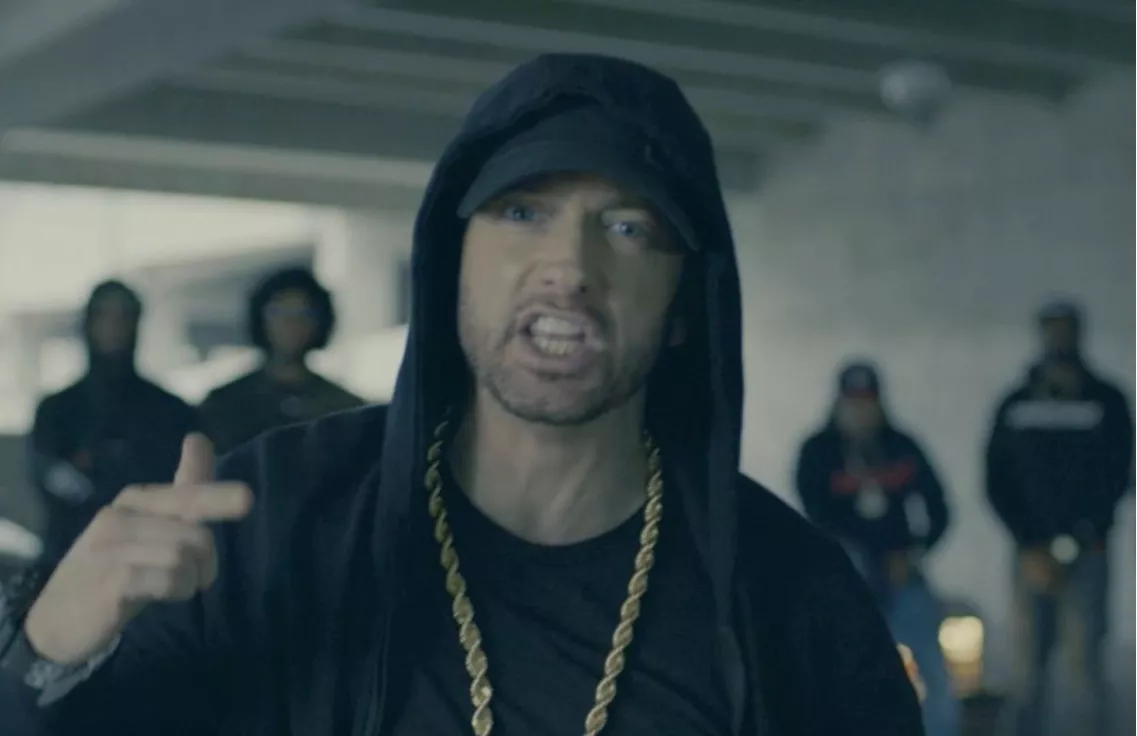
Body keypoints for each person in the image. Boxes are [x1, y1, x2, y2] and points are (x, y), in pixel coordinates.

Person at [0, 54, 924, 735]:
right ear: (451, 264)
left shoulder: (787, 596)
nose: (568, 266)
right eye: (522, 212)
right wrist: (42, 655)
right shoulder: (275, 523)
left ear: (684, 304)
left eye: (628, 228)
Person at [985, 300, 1133, 736]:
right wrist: (1030, 543)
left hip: (1089, 550)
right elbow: (997, 480)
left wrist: (1081, 535)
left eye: (1066, 330)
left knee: (1086, 666)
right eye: (1053, 330)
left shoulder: (1108, 401)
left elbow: (1119, 474)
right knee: (1027, 667)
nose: (1060, 340)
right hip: (1031, 556)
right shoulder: (1015, 403)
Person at [795, 361, 958, 736]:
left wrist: (914, 553)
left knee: (932, 669)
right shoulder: (818, 451)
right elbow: (813, 515)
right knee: (838, 672)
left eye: (867, 402)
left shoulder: (902, 447)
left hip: (901, 575)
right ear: (838, 403)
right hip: (847, 583)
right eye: (853, 402)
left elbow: (939, 509)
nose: (861, 411)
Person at [24, 280, 198, 566]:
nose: (114, 327)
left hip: (152, 556)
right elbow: (55, 480)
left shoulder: (172, 411)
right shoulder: (56, 411)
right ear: (88, 323)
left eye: (123, 316)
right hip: (70, 560)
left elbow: (179, 484)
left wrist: (98, 468)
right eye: (105, 315)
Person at [198, 267, 365, 456]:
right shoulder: (223, 404)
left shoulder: (343, 407)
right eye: (280, 312)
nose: (292, 324)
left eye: (304, 313)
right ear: (261, 317)